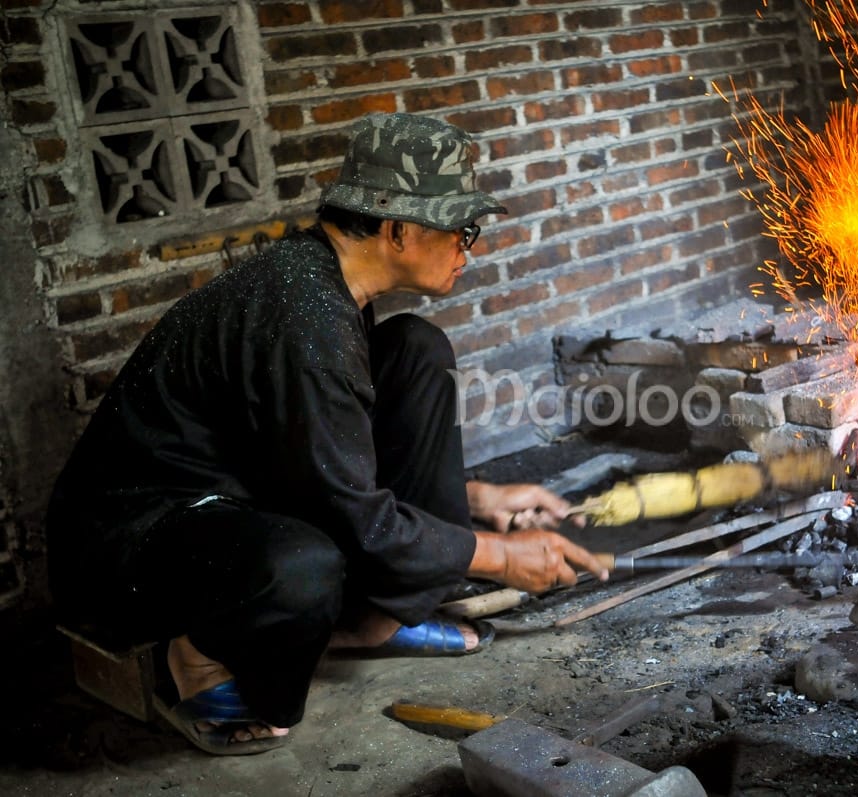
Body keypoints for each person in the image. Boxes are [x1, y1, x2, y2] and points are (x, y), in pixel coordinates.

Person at [45, 112, 609, 755]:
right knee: (305, 564)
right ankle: (198, 657)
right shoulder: (305, 317)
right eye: (463, 232)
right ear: (399, 229)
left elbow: (316, 447)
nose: (468, 250)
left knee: (416, 349)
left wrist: (474, 496)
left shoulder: (325, 286)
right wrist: (502, 555)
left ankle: (377, 617)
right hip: (135, 541)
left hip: (235, 489)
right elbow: (348, 510)